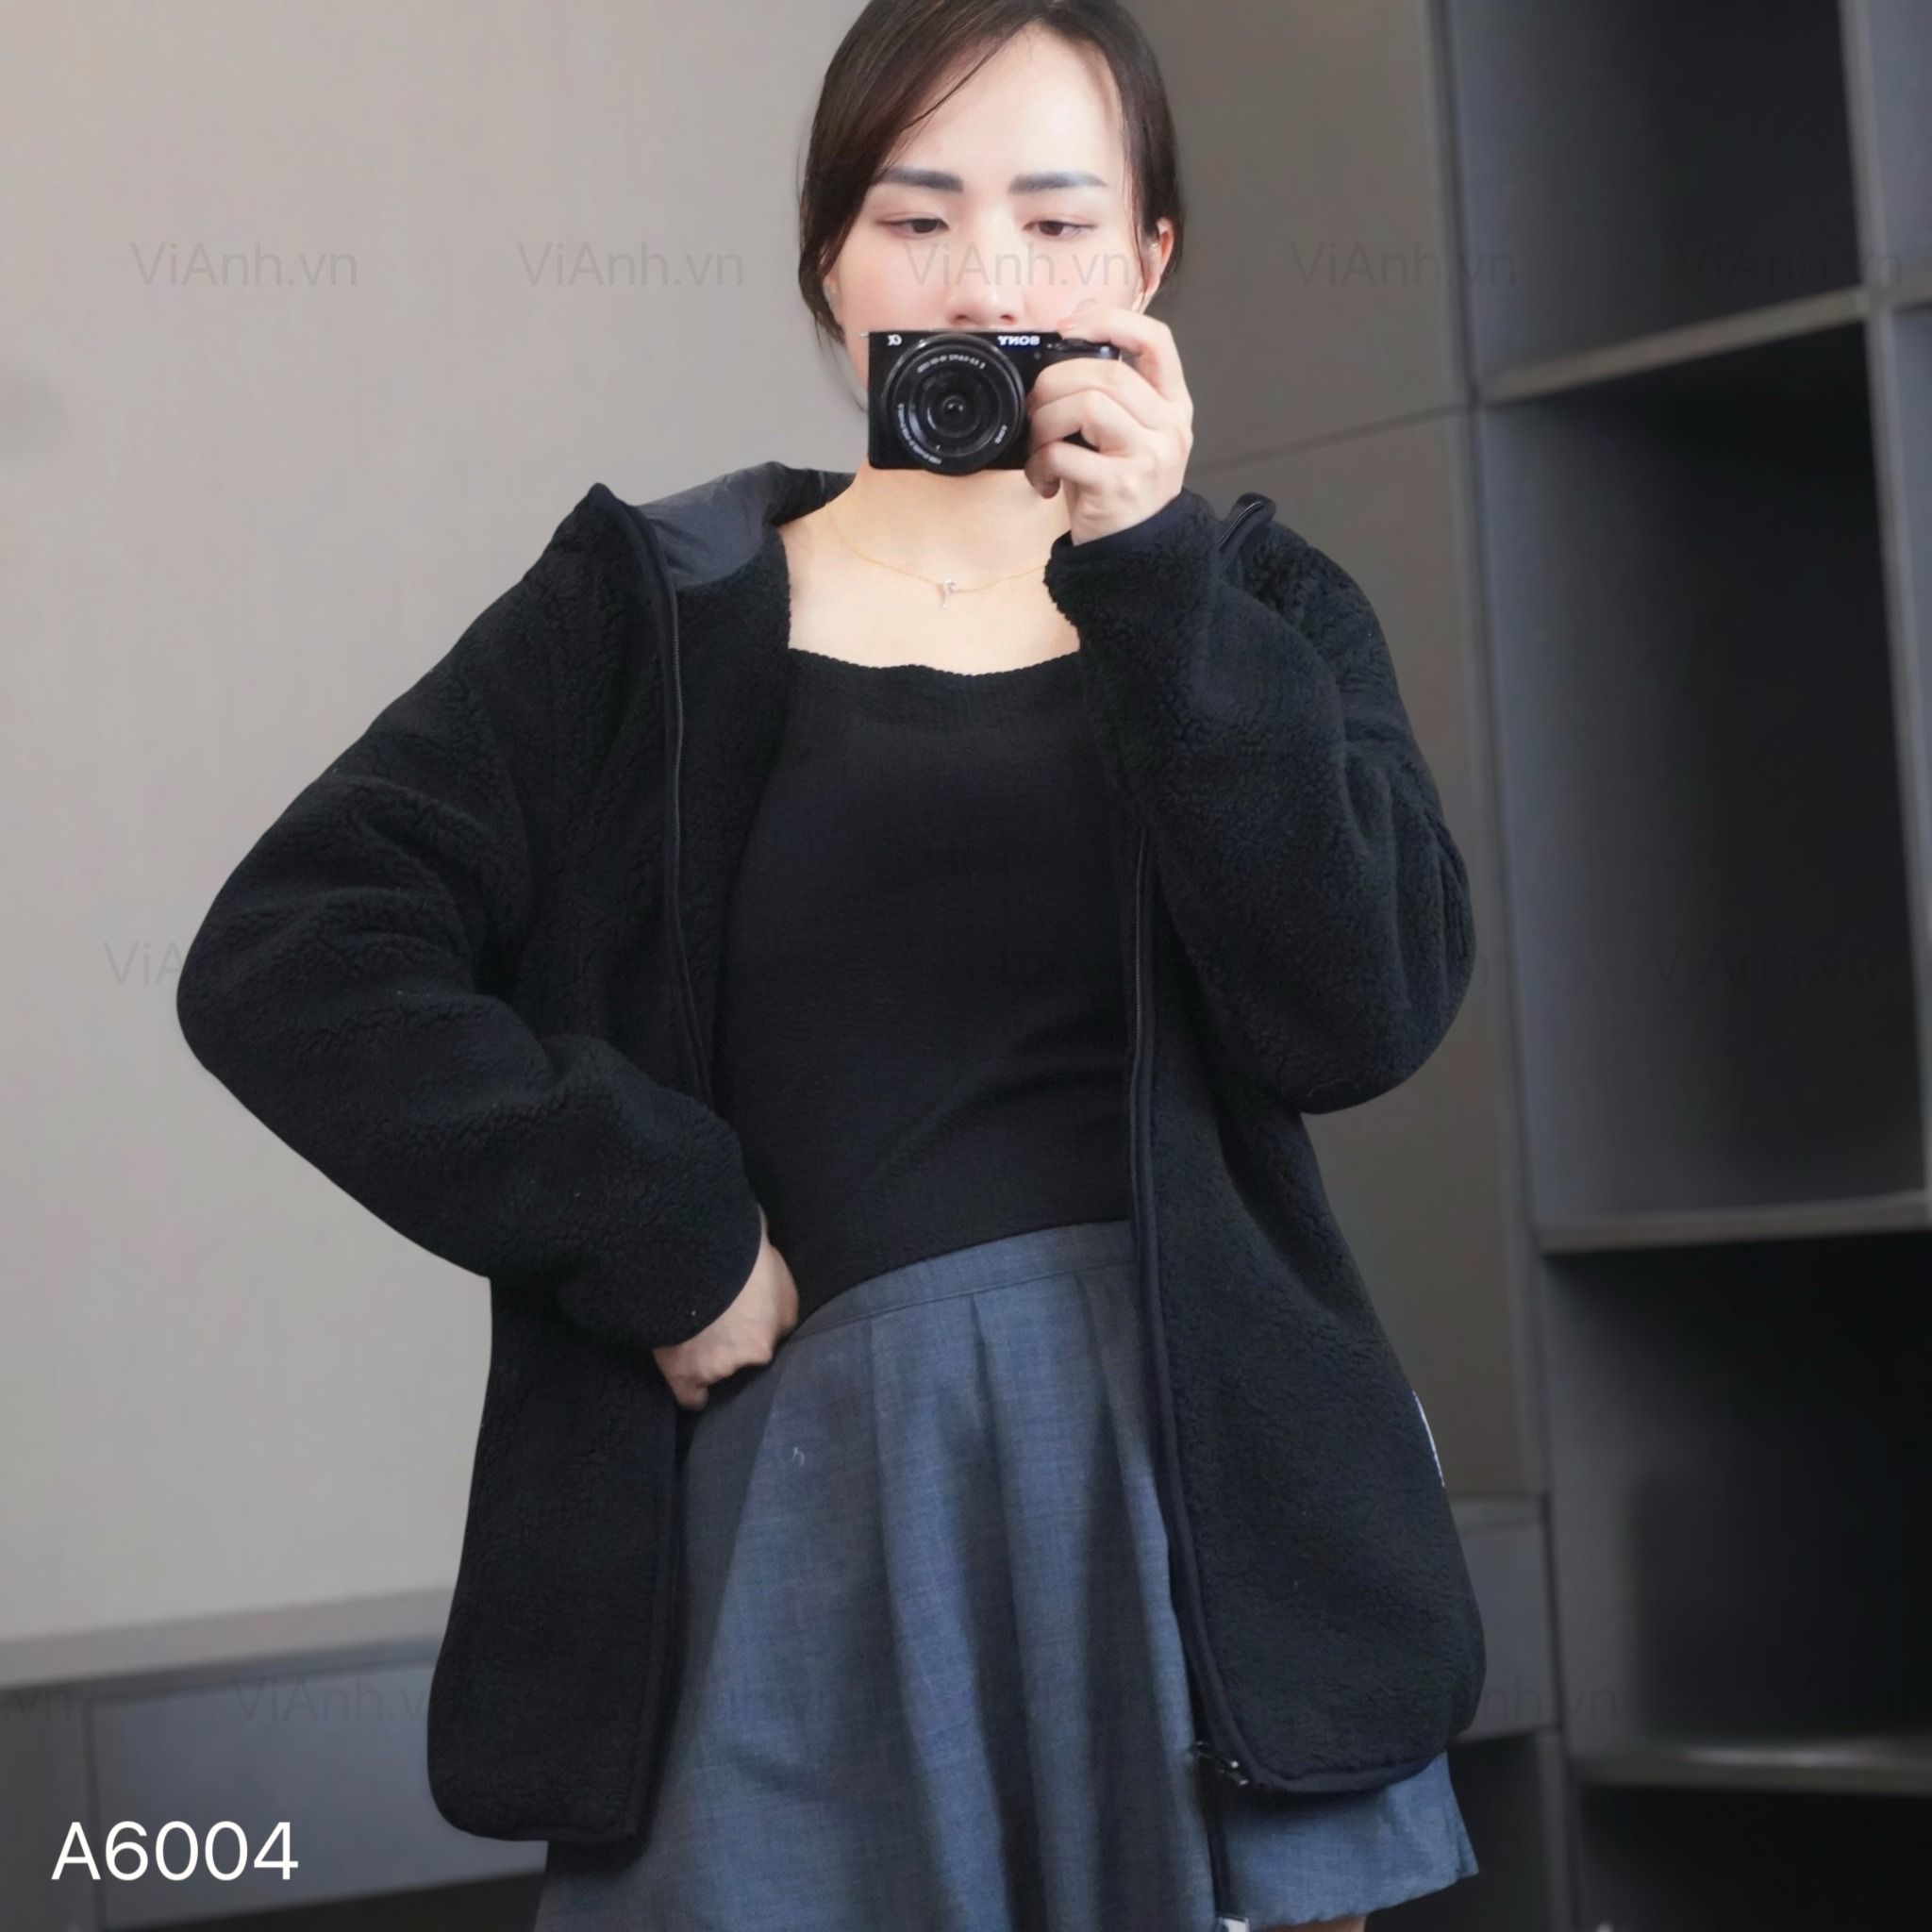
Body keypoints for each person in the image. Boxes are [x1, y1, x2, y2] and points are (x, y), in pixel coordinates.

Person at [175, 2, 1486, 1927]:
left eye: (1057, 223)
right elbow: (290, 953)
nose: (987, 283)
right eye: (915, 216)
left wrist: (1149, 576)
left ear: (1149, 261)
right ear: (828, 259)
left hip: (1188, 1523)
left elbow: (1357, 1011)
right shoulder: (649, 605)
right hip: (793, 1503)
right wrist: (656, 1221)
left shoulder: (1251, 604)